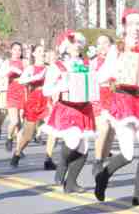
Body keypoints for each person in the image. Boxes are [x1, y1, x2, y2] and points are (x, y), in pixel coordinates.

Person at [94, 9, 139, 206]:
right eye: (132, 25)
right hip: (122, 100)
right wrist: (117, 71)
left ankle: (138, 193)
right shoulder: (117, 49)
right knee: (128, 154)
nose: (137, 29)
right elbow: (101, 75)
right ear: (126, 27)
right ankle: (103, 175)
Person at [42, 31, 95, 193]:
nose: (77, 46)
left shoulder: (87, 64)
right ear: (66, 46)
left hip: (85, 108)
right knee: (72, 143)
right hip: (67, 109)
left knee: (84, 148)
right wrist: (61, 86)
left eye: (79, 43)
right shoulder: (57, 66)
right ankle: (62, 165)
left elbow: (94, 82)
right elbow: (46, 90)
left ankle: (71, 183)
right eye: (73, 43)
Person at [10, 44, 56, 170]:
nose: (42, 53)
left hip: (47, 99)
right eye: (39, 51)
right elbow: (22, 81)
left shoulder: (49, 68)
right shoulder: (30, 68)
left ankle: (48, 159)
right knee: (28, 136)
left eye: (44, 51)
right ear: (34, 54)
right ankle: (17, 153)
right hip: (34, 100)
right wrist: (36, 77)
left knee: (53, 130)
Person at [90, 35, 115, 176]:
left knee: (111, 134)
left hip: (114, 97)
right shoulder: (93, 63)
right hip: (98, 96)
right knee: (104, 128)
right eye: (99, 43)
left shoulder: (117, 61)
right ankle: (98, 160)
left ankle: (103, 162)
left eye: (106, 43)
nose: (102, 46)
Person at [0, 42, 26, 152]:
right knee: (14, 121)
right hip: (12, 92)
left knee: (20, 123)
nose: (17, 52)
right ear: (11, 50)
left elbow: (28, 75)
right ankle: (9, 137)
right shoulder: (7, 62)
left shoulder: (24, 62)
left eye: (19, 50)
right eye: (15, 49)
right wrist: (9, 71)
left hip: (22, 92)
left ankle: (19, 150)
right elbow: (0, 75)